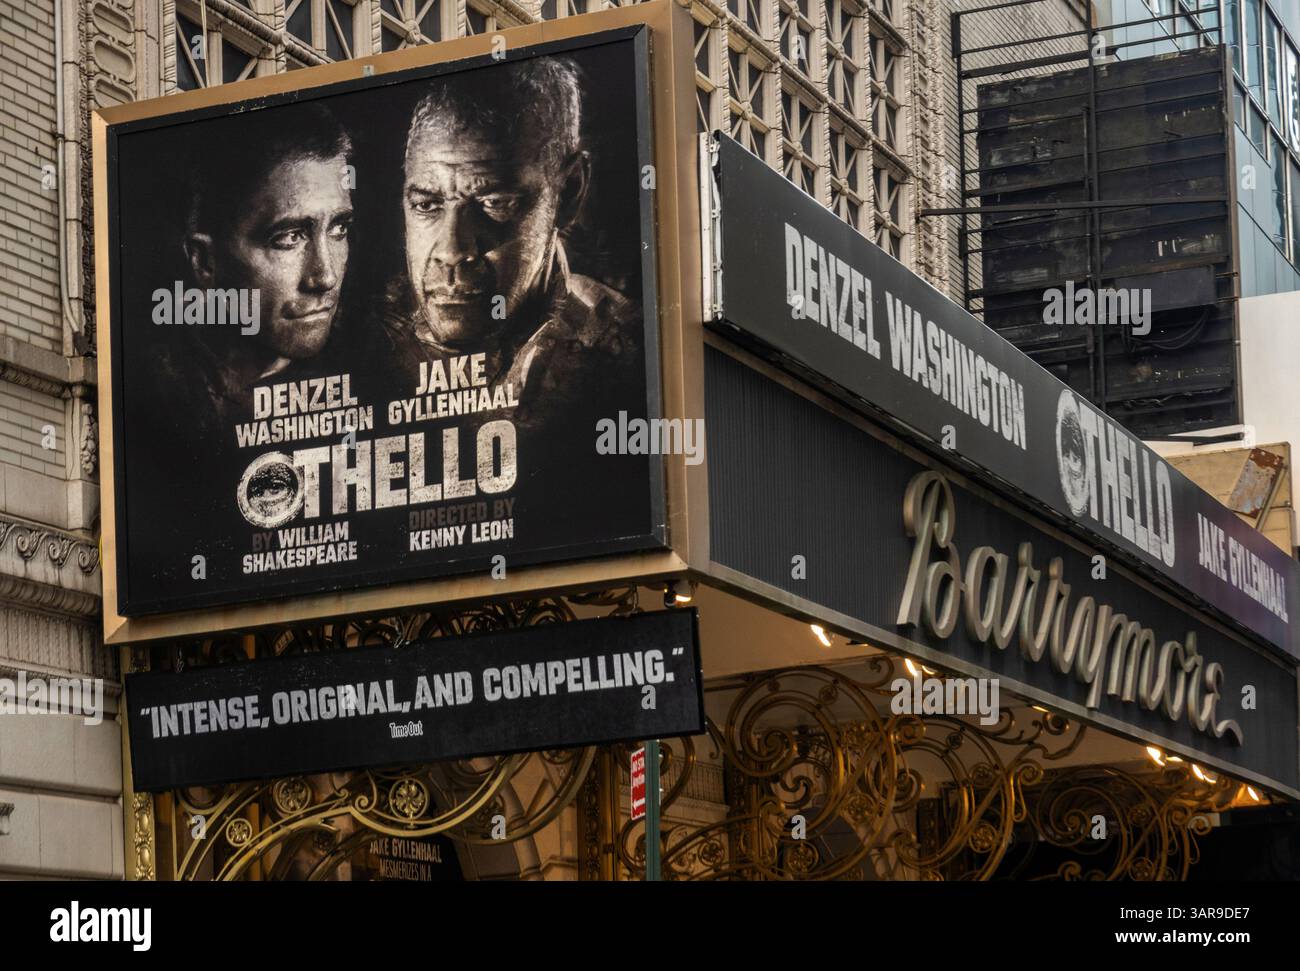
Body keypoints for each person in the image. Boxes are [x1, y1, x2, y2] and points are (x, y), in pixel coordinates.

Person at [371, 55, 640, 436]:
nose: (451, 251)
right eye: (426, 205)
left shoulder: (628, 354)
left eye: (494, 203)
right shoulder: (355, 340)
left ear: (569, 193)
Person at [159, 101, 355, 436]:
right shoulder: (155, 392)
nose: (325, 277)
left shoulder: (374, 374)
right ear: (204, 261)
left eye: (338, 229)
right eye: (289, 238)